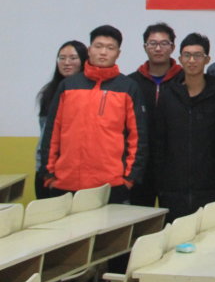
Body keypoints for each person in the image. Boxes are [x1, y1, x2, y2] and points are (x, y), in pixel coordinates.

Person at [40, 25, 147, 203]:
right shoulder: (68, 86)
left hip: (110, 185)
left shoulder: (128, 88)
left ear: (118, 53)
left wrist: (129, 178)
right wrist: (49, 174)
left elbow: (138, 137)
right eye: (98, 46)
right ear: (89, 50)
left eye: (110, 48)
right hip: (65, 183)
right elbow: (52, 133)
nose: (103, 52)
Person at [153, 33, 215, 222]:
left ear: (207, 59)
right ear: (180, 59)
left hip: (212, 188)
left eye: (197, 55)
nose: (191, 61)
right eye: (187, 55)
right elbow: (159, 141)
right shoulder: (168, 95)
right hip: (173, 190)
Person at [128, 22, 183, 207]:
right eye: (153, 43)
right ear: (145, 47)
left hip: (175, 165)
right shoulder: (131, 83)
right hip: (141, 167)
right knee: (139, 217)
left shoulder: (185, 80)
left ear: (173, 47)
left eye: (164, 43)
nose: (158, 48)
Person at [34, 40, 88, 199]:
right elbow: (44, 136)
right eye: (62, 58)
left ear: (84, 61)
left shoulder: (91, 92)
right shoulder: (49, 92)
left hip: (78, 170)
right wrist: (44, 168)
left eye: (73, 58)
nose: (66, 63)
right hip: (49, 170)